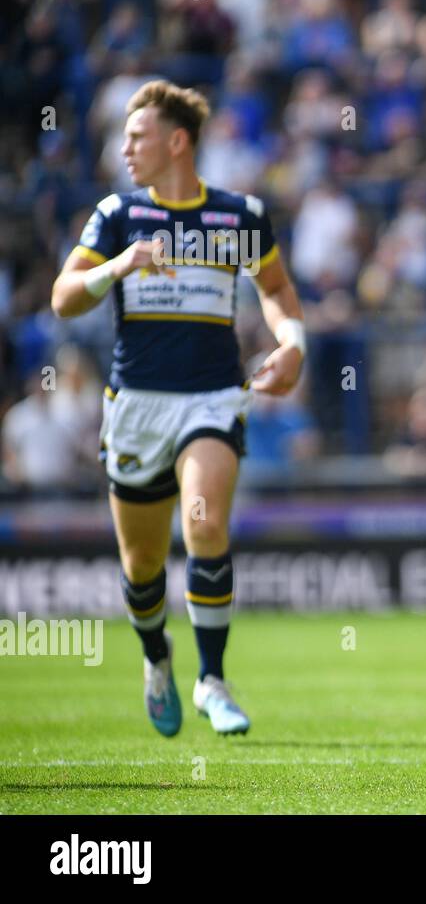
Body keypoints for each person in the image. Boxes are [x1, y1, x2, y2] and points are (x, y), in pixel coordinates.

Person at [51, 80, 307, 737]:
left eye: (137, 136)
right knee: (140, 566)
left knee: (205, 526)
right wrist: (119, 268)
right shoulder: (119, 217)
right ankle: (156, 655)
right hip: (136, 405)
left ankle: (211, 680)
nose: (126, 148)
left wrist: (293, 342)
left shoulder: (236, 217)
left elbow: (276, 288)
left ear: (177, 140)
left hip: (212, 397)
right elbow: (64, 298)